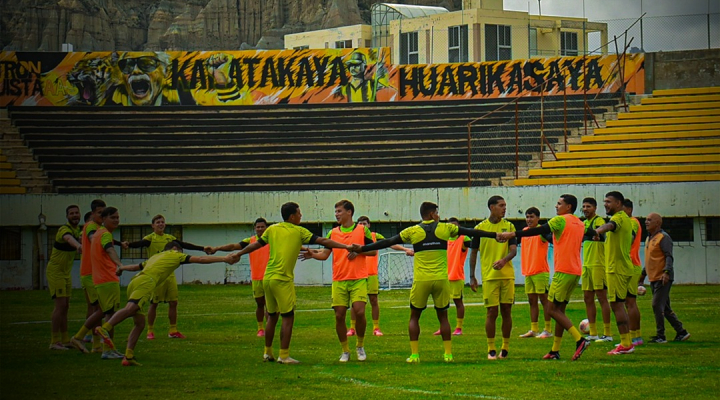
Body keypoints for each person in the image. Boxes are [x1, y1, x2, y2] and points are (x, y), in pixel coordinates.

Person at [349, 201, 498, 363]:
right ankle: (448, 354)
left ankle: (415, 355)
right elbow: (472, 231)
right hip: (441, 280)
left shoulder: (413, 231)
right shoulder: (446, 228)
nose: (438, 215)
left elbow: (388, 241)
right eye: (437, 212)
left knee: (414, 317)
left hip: (421, 280)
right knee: (443, 317)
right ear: (432, 214)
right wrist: (495, 235)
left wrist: (362, 248)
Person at [230, 202, 349, 364]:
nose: (301, 216)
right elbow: (323, 240)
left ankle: (267, 352)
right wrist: (346, 246)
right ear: (292, 216)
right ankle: (284, 355)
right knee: (288, 316)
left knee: (272, 316)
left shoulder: (272, 229)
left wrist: (239, 254)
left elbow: (256, 245)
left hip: (267, 278)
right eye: (299, 213)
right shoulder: (299, 231)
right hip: (282, 279)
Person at [97, 241, 238, 366]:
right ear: (175, 249)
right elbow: (200, 259)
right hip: (146, 282)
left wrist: (122, 268)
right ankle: (105, 328)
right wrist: (224, 259)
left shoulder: (155, 257)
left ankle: (128, 356)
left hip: (134, 281)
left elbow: (135, 267)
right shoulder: (175, 254)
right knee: (130, 308)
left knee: (139, 322)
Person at [499, 195, 591, 361]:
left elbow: (539, 230)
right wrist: (597, 235)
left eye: (559, 203)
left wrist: (512, 234)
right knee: (559, 311)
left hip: (563, 271)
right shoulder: (579, 222)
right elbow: (591, 233)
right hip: (575, 270)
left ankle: (579, 339)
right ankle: (555, 350)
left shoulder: (560, 220)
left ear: (568, 207)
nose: (556, 206)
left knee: (550, 309)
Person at [301, 200, 376, 362]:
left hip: (358, 278)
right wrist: (313, 255)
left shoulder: (362, 230)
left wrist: (359, 251)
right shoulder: (332, 233)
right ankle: (345, 350)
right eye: (336, 212)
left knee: (360, 311)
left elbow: (373, 251)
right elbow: (324, 255)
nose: (336, 214)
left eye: (339, 211)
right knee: (339, 315)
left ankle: (360, 346)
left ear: (349, 212)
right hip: (339, 279)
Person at [123, 214, 210, 340]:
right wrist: (129, 244)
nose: (161, 224)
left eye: (162, 222)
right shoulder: (150, 238)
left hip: (169, 275)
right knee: (154, 303)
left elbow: (184, 244)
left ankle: (173, 330)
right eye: (158, 222)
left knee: (173, 302)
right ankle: (150, 330)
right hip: (156, 276)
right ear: (153, 226)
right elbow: (140, 243)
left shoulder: (170, 238)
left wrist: (203, 248)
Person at [70, 207, 125, 359]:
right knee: (110, 315)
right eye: (112, 217)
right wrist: (119, 264)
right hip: (107, 279)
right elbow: (109, 249)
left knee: (101, 311)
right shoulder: (104, 234)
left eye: (117, 217)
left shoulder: (98, 233)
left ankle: (79, 337)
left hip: (98, 279)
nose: (116, 220)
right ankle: (108, 349)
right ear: (104, 219)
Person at [586, 191, 636, 355]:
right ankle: (628, 341)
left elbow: (610, 226)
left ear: (618, 203)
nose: (605, 204)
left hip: (616, 269)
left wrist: (598, 231)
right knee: (621, 304)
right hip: (623, 267)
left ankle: (625, 343)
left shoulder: (618, 218)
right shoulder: (624, 218)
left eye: (609, 202)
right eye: (605, 201)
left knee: (617, 305)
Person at [469, 195, 517, 360]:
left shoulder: (509, 226)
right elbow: (473, 253)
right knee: (491, 312)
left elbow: (513, 250)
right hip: (489, 277)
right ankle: (491, 348)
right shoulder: (480, 228)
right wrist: (472, 276)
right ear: (492, 207)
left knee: (507, 311)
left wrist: (504, 260)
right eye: (501, 205)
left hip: (507, 276)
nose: (504, 208)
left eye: (505, 205)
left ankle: (505, 347)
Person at [207, 218, 271, 337]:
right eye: (258, 227)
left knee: (269, 305)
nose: (260, 229)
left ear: (266, 227)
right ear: (255, 228)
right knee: (259, 304)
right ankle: (260, 328)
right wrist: (217, 248)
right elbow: (233, 246)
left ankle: (269, 328)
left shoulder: (271, 239)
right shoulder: (251, 241)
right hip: (256, 277)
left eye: (262, 227)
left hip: (269, 277)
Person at [353, 215, 413, 337]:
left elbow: (389, 243)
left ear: (369, 225)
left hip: (371, 274)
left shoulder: (375, 236)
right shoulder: (354, 237)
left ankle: (376, 328)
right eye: (360, 224)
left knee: (374, 300)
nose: (363, 226)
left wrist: (404, 249)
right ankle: (352, 328)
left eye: (365, 223)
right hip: (357, 274)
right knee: (355, 303)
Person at [640, 213, 690, 343]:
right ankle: (681, 332)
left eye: (649, 220)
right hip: (653, 277)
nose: (646, 222)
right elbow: (650, 259)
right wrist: (643, 275)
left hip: (662, 278)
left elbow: (669, 256)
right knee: (665, 308)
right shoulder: (649, 238)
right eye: (646, 220)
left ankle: (660, 336)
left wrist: (667, 272)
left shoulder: (664, 237)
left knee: (657, 305)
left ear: (658, 223)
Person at [46, 205, 82, 350]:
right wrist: (78, 246)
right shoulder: (64, 230)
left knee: (66, 306)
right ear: (67, 216)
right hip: (56, 272)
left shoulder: (78, 231)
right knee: (60, 306)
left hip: (66, 273)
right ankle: (54, 341)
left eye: (76, 213)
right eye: (71, 213)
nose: (75, 215)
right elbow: (68, 239)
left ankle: (65, 339)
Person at [517, 207, 554, 339]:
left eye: (532, 217)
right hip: (528, 271)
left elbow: (550, 239)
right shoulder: (524, 231)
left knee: (544, 300)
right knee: (532, 300)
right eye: (527, 217)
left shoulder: (541, 231)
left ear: (538, 218)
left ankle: (548, 329)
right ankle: (534, 329)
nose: (529, 219)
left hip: (540, 271)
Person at [581, 197, 613, 342]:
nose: (585, 209)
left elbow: (600, 232)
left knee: (601, 297)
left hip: (598, 264)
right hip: (586, 265)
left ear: (595, 208)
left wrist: (595, 234)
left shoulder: (599, 221)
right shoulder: (584, 223)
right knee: (587, 298)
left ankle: (607, 333)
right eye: (584, 206)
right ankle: (593, 333)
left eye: (588, 206)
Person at [433, 217, 472, 337]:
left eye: (455, 226)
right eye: (450, 226)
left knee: (458, 302)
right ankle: (443, 327)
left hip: (456, 276)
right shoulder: (444, 239)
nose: (453, 228)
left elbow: (474, 246)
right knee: (441, 304)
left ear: (459, 227)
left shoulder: (464, 238)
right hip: (443, 276)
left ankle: (459, 328)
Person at [623, 199, 644, 346]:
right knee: (628, 302)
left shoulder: (632, 222)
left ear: (629, 210)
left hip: (631, 264)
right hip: (629, 265)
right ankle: (636, 336)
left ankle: (634, 336)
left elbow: (628, 240)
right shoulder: (630, 222)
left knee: (630, 302)